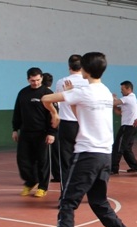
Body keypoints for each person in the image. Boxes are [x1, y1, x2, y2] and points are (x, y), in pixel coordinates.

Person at [41, 52, 131, 227]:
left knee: (67, 201)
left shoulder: (83, 91)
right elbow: (78, 112)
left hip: (87, 155)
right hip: (105, 155)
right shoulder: (106, 92)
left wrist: (54, 113)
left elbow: (46, 98)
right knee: (98, 199)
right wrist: (72, 97)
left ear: (84, 70)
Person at [12, 67, 56, 197]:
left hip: (42, 133)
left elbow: (54, 114)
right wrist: (15, 129)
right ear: (28, 79)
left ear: (41, 78)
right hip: (25, 133)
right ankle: (31, 182)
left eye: (37, 80)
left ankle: (43, 187)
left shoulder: (48, 93)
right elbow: (17, 112)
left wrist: (52, 132)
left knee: (42, 161)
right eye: (32, 80)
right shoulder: (23, 93)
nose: (35, 83)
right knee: (23, 160)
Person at [54, 55, 89, 190]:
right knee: (86, 158)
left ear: (69, 66)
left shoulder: (62, 82)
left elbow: (57, 100)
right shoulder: (88, 83)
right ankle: (85, 190)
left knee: (66, 159)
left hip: (67, 124)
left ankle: (66, 193)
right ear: (83, 67)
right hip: (85, 123)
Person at [111, 81, 137, 174]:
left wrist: (111, 98)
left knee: (117, 147)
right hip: (132, 127)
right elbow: (119, 112)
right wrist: (114, 102)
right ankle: (135, 167)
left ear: (129, 89)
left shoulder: (128, 98)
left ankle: (113, 169)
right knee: (126, 149)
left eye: (122, 89)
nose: (121, 91)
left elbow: (114, 103)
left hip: (127, 127)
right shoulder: (131, 99)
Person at [41, 73, 61, 183]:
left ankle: (44, 177)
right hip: (57, 126)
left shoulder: (46, 96)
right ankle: (58, 175)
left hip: (50, 127)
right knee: (55, 153)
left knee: (47, 154)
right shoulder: (55, 95)